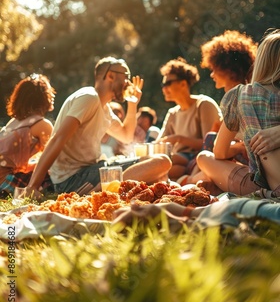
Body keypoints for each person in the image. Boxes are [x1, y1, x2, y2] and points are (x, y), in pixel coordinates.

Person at [25, 57, 171, 198]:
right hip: (72, 179)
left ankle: (106, 188)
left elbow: (126, 136)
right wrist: (32, 186)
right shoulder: (89, 97)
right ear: (111, 76)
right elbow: (58, 138)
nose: (128, 83)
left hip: (93, 169)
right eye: (126, 77)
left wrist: (133, 104)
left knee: (157, 168)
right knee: (162, 162)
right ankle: (101, 191)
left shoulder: (104, 108)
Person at [189, 28, 280, 197]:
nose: (212, 73)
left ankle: (197, 182)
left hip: (271, 191)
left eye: (214, 68)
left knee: (205, 157)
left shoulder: (241, 96)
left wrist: (240, 147)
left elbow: (220, 152)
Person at [156, 57, 222, 180]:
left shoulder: (204, 105)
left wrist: (178, 139)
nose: (164, 88)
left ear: (183, 84)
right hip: (179, 159)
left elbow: (210, 143)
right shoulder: (173, 113)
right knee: (161, 165)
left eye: (168, 83)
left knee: (162, 165)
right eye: (162, 84)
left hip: (200, 159)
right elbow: (161, 142)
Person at [199, 29, 257, 158]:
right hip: (237, 153)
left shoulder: (238, 97)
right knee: (210, 139)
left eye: (214, 69)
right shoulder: (246, 92)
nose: (211, 74)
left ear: (228, 69)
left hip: (247, 157)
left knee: (208, 145)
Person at [0, 74, 55, 197]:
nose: (52, 95)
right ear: (43, 97)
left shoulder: (13, 122)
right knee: (51, 172)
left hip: (3, 180)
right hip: (6, 184)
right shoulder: (42, 124)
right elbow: (52, 159)